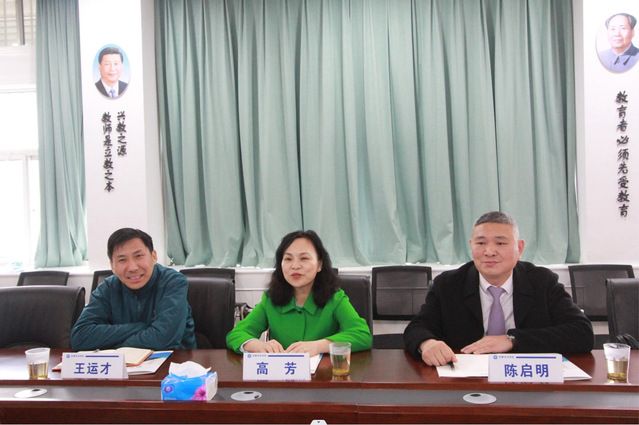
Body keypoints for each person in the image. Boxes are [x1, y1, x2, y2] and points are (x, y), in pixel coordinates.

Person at [404, 211, 593, 366]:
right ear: (471, 246)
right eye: (480, 243)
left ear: (519, 248)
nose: (489, 252)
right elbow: (417, 328)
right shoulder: (448, 284)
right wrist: (427, 343)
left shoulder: (541, 281)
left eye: (500, 243)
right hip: (467, 379)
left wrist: (513, 340)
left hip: (526, 379)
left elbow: (582, 333)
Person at [226, 230, 372, 356]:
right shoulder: (270, 299)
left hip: (324, 375)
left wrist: (319, 346)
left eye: (304, 258)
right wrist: (256, 345)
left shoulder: (335, 298)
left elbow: (362, 335)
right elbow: (236, 335)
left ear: (319, 264)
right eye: (288, 259)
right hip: (283, 375)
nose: (295, 266)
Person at [71, 228, 196, 350]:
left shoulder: (173, 282)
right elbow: (80, 336)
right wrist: (142, 327)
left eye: (139, 256)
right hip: (122, 363)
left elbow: (163, 339)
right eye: (122, 260)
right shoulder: (107, 287)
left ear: (153, 256)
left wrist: (112, 346)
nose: (132, 267)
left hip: (176, 361)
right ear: (112, 266)